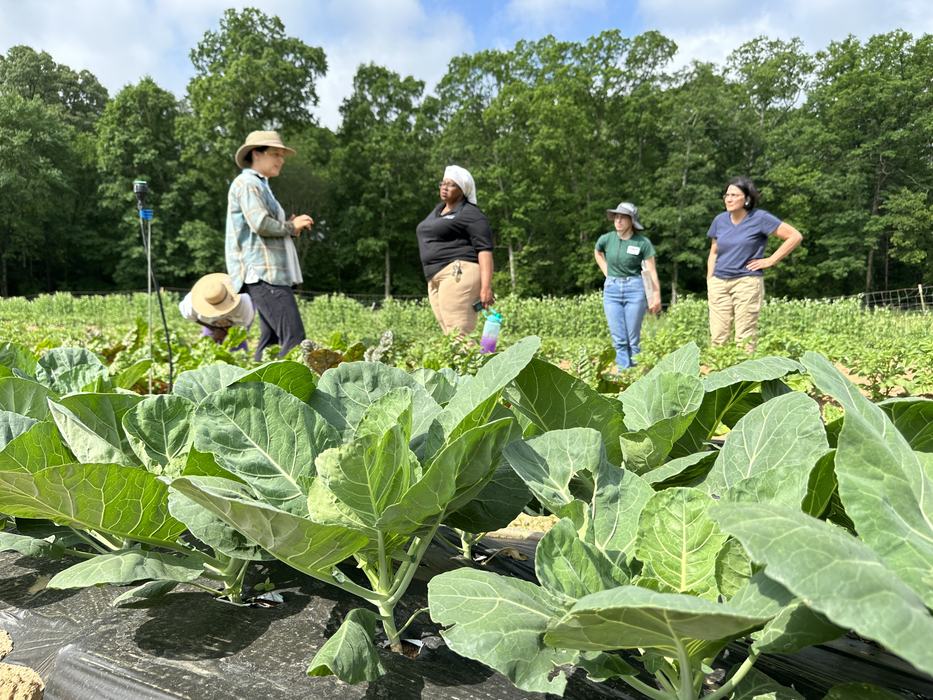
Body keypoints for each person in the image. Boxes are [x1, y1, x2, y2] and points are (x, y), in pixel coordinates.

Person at [226, 130, 314, 361]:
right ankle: (283, 391)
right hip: (263, 273)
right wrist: (291, 226)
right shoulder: (247, 183)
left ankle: (255, 390)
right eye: (275, 154)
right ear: (256, 153)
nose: (280, 160)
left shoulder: (260, 185)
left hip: (266, 273)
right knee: (295, 340)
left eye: (282, 155)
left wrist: (290, 227)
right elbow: (260, 223)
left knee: (271, 341)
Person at [706, 176, 803, 351]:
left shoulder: (760, 218)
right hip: (719, 283)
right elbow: (714, 251)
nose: (728, 198)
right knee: (718, 337)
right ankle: (717, 375)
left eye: (734, 195)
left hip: (746, 282)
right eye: (727, 194)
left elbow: (794, 236)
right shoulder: (719, 220)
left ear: (747, 198)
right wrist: (710, 279)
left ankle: (744, 377)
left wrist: (771, 260)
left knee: (744, 338)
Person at [416, 165, 494, 334]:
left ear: (462, 190)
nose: (444, 187)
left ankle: (483, 361)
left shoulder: (470, 213)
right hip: (435, 277)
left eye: (451, 185)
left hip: (458, 273)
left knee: (459, 334)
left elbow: (485, 250)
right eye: (442, 183)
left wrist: (486, 287)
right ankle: (467, 360)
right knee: (449, 335)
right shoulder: (438, 210)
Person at [594, 202, 662, 370]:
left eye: (622, 218)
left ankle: (637, 372)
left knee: (633, 337)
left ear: (631, 221)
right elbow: (597, 251)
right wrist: (606, 271)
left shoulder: (642, 243)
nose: (618, 221)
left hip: (635, 288)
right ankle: (624, 373)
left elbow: (651, 271)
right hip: (612, 290)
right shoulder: (606, 239)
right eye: (616, 217)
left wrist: (655, 296)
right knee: (619, 338)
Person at [179, 273, 254, 346]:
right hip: (210, 323)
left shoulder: (243, 303)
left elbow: (242, 325)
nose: (219, 314)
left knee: (236, 343)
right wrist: (213, 329)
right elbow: (191, 317)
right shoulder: (190, 303)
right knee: (208, 345)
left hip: (236, 323)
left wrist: (226, 332)